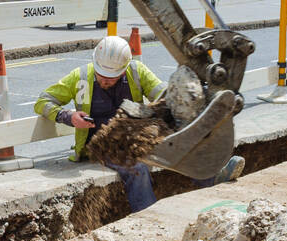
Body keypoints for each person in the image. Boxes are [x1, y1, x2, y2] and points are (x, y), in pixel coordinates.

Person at [35, 36, 244, 212]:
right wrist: (67, 116)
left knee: (173, 144)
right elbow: (43, 101)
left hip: (135, 136)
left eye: (112, 77)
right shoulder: (79, 77)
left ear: (124, 69)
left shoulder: (136, 72)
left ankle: (212, 177)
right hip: (102, 144)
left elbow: (163, 95)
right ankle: (146, 214)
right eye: (102, 75)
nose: (106, 81)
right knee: (137, 167)